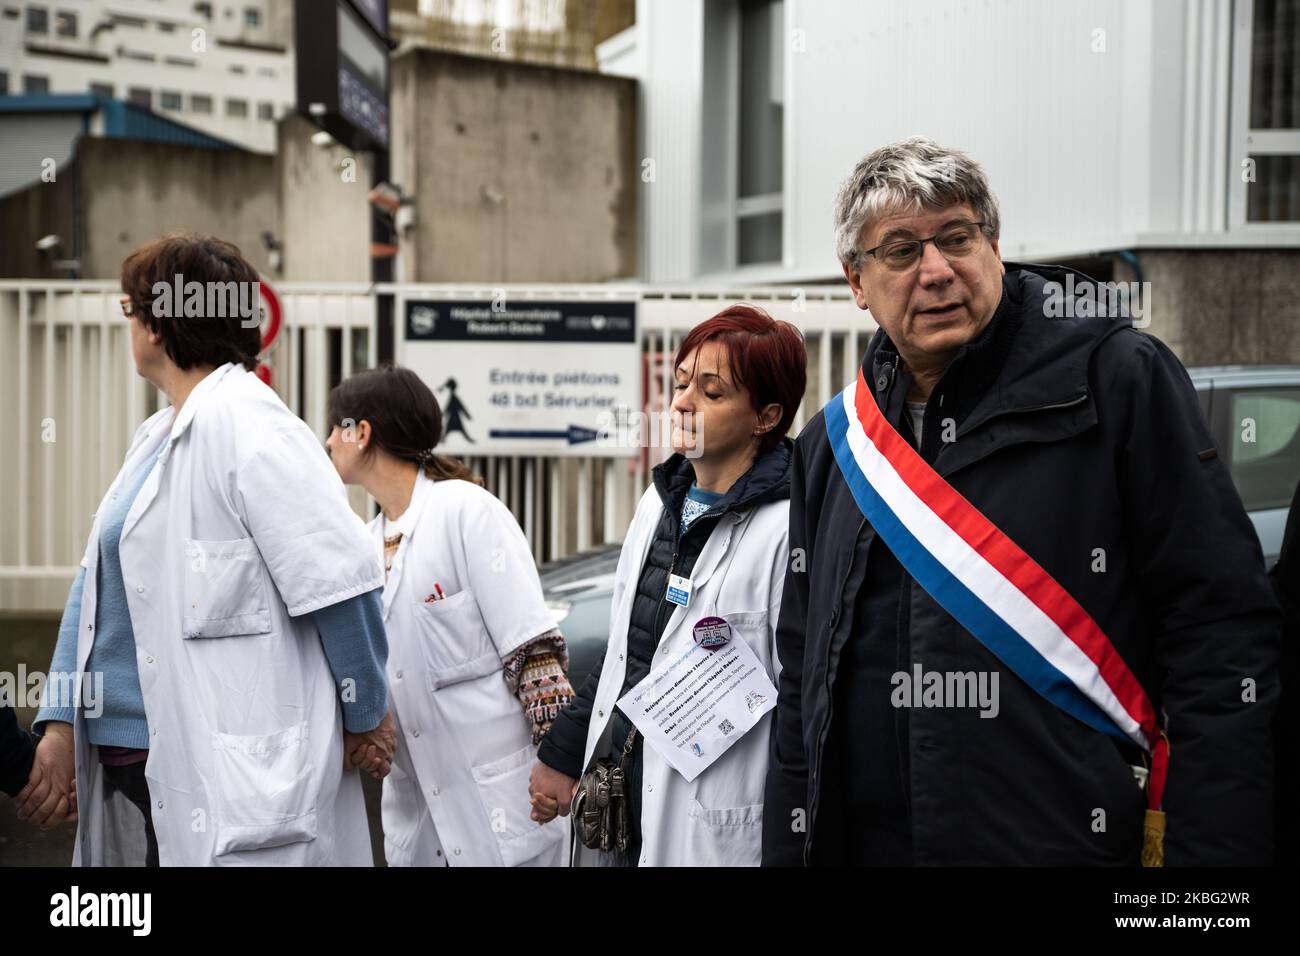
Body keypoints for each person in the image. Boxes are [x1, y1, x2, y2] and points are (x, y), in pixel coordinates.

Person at [763, 136, 1281, 866]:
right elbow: (802, 684)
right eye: (902, 251)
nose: (937, 271)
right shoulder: (830, 448)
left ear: (995, 248)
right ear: (856, 279)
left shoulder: (1116, 381)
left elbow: (1220, 638)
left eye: (957, 238)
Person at [19, 234, 394, 866]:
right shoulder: (157, 435)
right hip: (132, 757)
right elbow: (94, 589)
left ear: (159, 325)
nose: (128, 325)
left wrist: (366, 714)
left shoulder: (256, 428)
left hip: (226, 771)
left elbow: (340, 588)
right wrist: (60, 722)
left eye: (130, 310)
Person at [529, 305, 807, 866]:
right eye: (680, 383)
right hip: (623, 795)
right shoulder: (659, 502)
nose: (682, 403)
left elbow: (804, 701)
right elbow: (625, 655)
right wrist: (562, 752)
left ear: (766, 415)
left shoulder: (789, 526)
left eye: (712, 391)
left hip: (715, 811)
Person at [326, 365, 572, 866]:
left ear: (363, 433)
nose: (328, 441)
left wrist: (559, 760)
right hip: (418, 818)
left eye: (336, 427)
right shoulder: (365, 546)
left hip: (505, 806)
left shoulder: (467, 511)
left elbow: (534, 653)